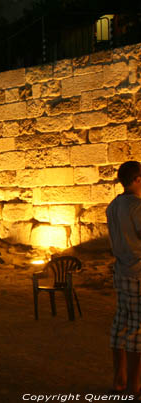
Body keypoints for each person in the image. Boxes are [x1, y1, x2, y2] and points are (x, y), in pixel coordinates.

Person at [107, 160, 141, 395]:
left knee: (121, 323)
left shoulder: (113, 205)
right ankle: (134, 385)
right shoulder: (137, 207)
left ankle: (120, 378)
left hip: (121, 270)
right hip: (138, 272)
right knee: (138, 329)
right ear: (137, 180)